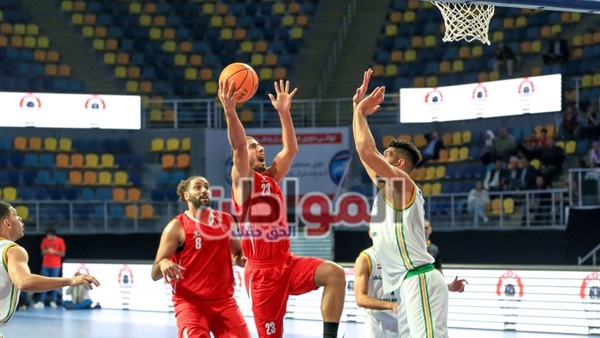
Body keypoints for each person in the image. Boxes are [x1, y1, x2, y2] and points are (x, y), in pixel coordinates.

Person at [220, 79, 346, 338]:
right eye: (255, 147)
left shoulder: (271, 178)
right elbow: (239, 146)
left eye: (260, 146)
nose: (260, 148)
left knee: (334, 274)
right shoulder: (243, 181)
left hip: (287, 263)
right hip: (262, 273)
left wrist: (284, 112)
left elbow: (291, 148)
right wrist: (230, 111)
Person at [352, 68, 465, 338]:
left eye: (387, 155)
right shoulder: (386, 190)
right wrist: (356, 110)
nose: (381, 156)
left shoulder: (403, 184)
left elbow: (367, 151)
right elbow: (365, 153)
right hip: (408, 283)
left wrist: (359, 113)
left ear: (400, 165)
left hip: (420, 278)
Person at [151, 176, 251, 338]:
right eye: (197, 187)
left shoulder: (227, 220)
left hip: (225, 302)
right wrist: (163, 263)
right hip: (190, 304)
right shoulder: (176, 227)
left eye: (206, 186)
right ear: (186, 195)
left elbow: (237, 254)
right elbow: (154, 273)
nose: (204, 190)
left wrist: (243, 259)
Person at [0, 201, 100, 328]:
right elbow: (24, 282)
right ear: (7, 223)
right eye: (15, 215)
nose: (20, 218)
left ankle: (51, 300)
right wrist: (70, 280)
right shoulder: (12, 250)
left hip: (54, 264)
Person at [354, 246, 466, 338]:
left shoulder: (406, 256)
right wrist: (391, 305)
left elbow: (419, 283)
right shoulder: (366, 258)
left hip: (406, 322)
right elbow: (360, 298)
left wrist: (448, 286)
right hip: (378, 325)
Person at [33, 228, 66, 309]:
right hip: (46, 265)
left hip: (55, 265)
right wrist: (46, 251)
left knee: (54, 284)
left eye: (49, 235)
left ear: (53, 235)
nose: (48, 237)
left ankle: (53, 301)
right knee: (43, 284)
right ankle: (41, 301)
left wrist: (54, 252)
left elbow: (62, 253)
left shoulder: (60, 240)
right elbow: (42, 252)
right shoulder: (45, 240)